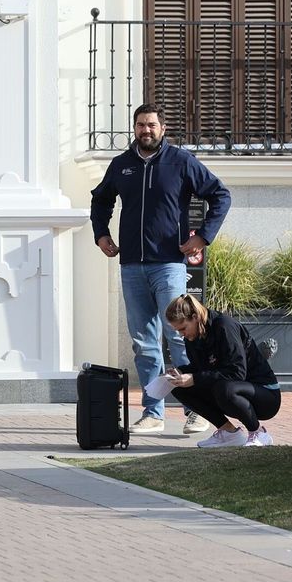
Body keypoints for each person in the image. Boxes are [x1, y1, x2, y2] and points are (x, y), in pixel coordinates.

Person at [90, 103, 232, 435]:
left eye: (152, 125)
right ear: (134, 128)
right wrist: (101, 234)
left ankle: (197, 411)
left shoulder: (181, 161)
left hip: (169, 265)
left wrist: (203, 236)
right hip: (131, 266)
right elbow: (101, 199)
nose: (146, 130)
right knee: (144, 343)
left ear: (163, 128)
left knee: (180, 337)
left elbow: (220, 195)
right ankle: (153, 413)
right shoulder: (121, 165)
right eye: (141, 125)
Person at [163, 294, 280, 448]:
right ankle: (229, 433)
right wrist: (180, 372)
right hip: (234, 391)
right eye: (178, 330)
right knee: (178, 386)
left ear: (195, 317)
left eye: (183, 328)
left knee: (224, 388)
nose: (181, 334)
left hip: (265, 395)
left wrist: (194, 379)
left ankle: (259, 433)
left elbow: (237, 372)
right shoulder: (192, 337)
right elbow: (201, 368)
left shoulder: (224, 326)